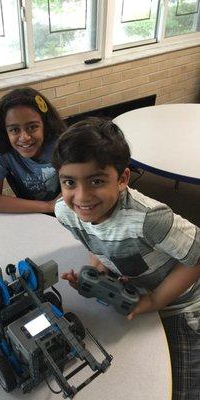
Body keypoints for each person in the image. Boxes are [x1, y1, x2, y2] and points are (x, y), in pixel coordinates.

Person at [52, 117, 200, 400]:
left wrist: (155, 301)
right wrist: (96, 272)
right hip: (139, 292)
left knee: (182, 390)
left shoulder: (149, 220)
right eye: (69, 182)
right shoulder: (65, 212)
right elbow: (97, 244)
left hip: (183, 305)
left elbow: (197, 258)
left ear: (122, 179)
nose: (81, 197)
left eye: (96, 180)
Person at [0, 87, 66, 213]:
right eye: (14, 130)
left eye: (32, 127)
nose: (24, 138)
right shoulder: (3, 152)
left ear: (45, 124)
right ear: (4, 131)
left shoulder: (62, 146)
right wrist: (49, 206)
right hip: (34, 215)